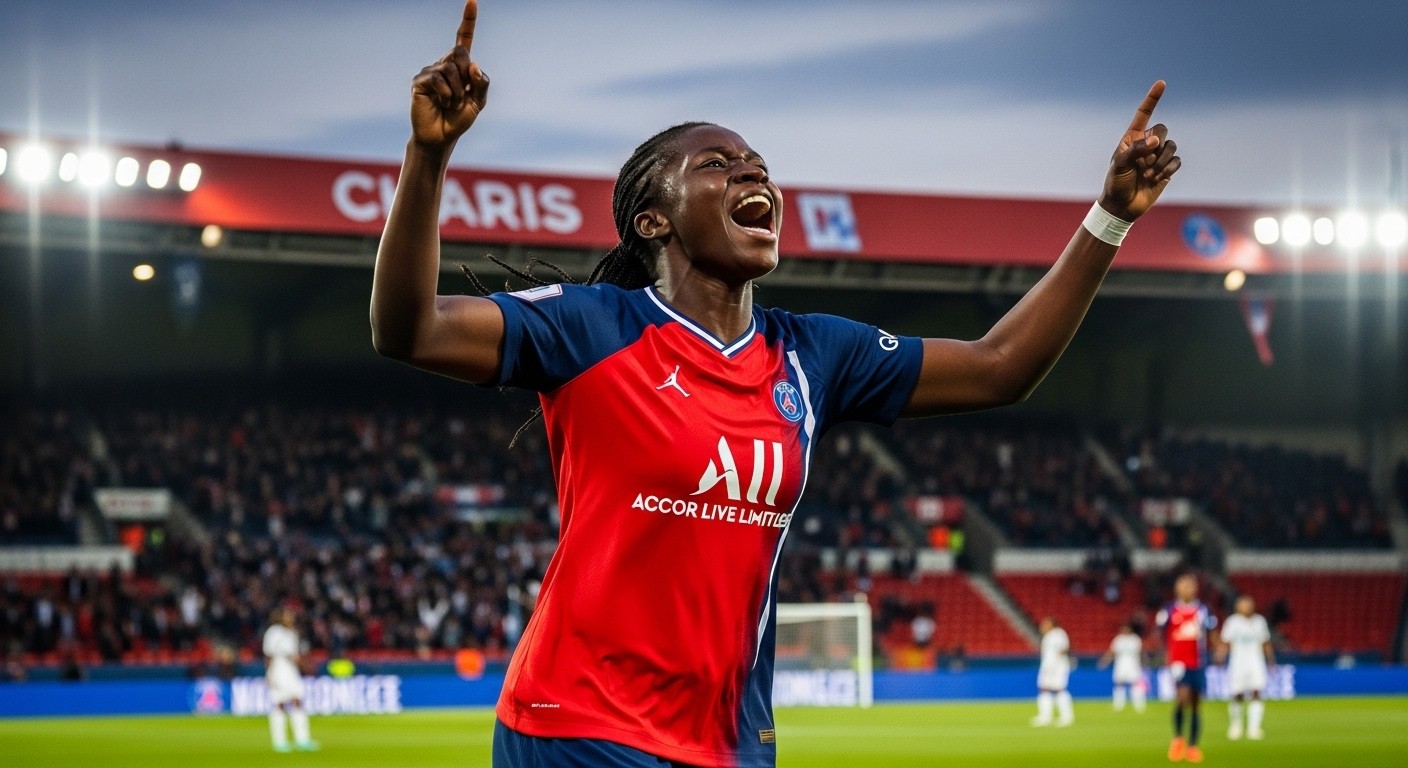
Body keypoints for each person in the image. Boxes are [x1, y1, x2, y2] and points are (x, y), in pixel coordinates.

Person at [370, 3, 1180, 765]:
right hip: (578, 724)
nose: (750, 172)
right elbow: (412, 331)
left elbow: (1002, 366)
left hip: (727, 739)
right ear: (654, 220)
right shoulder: (593, 327)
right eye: (716, 165)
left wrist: (1110, 217)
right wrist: (428, 156)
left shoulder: (812, 353)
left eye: (757, 165)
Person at [1156, 574, 1216, 763]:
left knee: (1196, 703)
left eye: (1190, 585)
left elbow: (1211, 631)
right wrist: (1165, 655)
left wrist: (1218, 649)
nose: (1186, 589)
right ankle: (1178, 739)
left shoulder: (1203, 610)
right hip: (1178, 662)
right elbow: (1160, 633)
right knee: (1182, 698)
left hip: (1198, 661)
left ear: (1195, 589)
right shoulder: (1168, 610)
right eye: (1183, 585)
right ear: (1176, 589)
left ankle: (1193, 746)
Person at [1217, 595, 1274, 740]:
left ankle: (1254, 728)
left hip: (1256, 663)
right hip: (1238, 663)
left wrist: (1271, 661)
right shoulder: (1232, 622)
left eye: (1248, 604)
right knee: (1238, 694)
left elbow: (1265, 642)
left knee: (1257, 692)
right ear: (1237, 607)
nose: (1246, 607)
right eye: (1243, 604)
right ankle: (1236, 725)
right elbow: (1225, 642)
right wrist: (1220, 657)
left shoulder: (1260, 621)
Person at [263, 607, 318, 753]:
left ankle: (302, 740)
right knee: (279, 703)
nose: (291, 618)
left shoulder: (291, 633)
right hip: (278, 668)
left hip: (291, 670)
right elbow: (268, 655)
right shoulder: (273, 632)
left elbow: (295, 655)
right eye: (288, 615)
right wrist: (269, 674)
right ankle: (280, 741)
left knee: (297, 700)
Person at [1031, 617, 1075, 727]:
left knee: (1059, 689)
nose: (1043, 626)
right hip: (1048, 666)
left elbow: (1064, 649)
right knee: (1044, 689)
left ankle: (1067, 717)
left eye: (1046, 624)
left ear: (1053, 624)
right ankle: (1045, 717)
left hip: (1058, 666)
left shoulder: (1058, 634)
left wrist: (1054, 664)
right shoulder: (1048, 636)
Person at [1098, 622, 1147, 713]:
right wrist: (1104, 661)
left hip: (1133, 664)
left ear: (1130, 630)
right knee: (1119, 683)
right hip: (1121, 664)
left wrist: (1144, 662)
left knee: (1136, 683)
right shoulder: (1118, 639)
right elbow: (1112, 652)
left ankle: (1139, 705)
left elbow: (1141, 652)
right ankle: (1118, 705)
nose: (1124, 630)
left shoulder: (1135, 639)